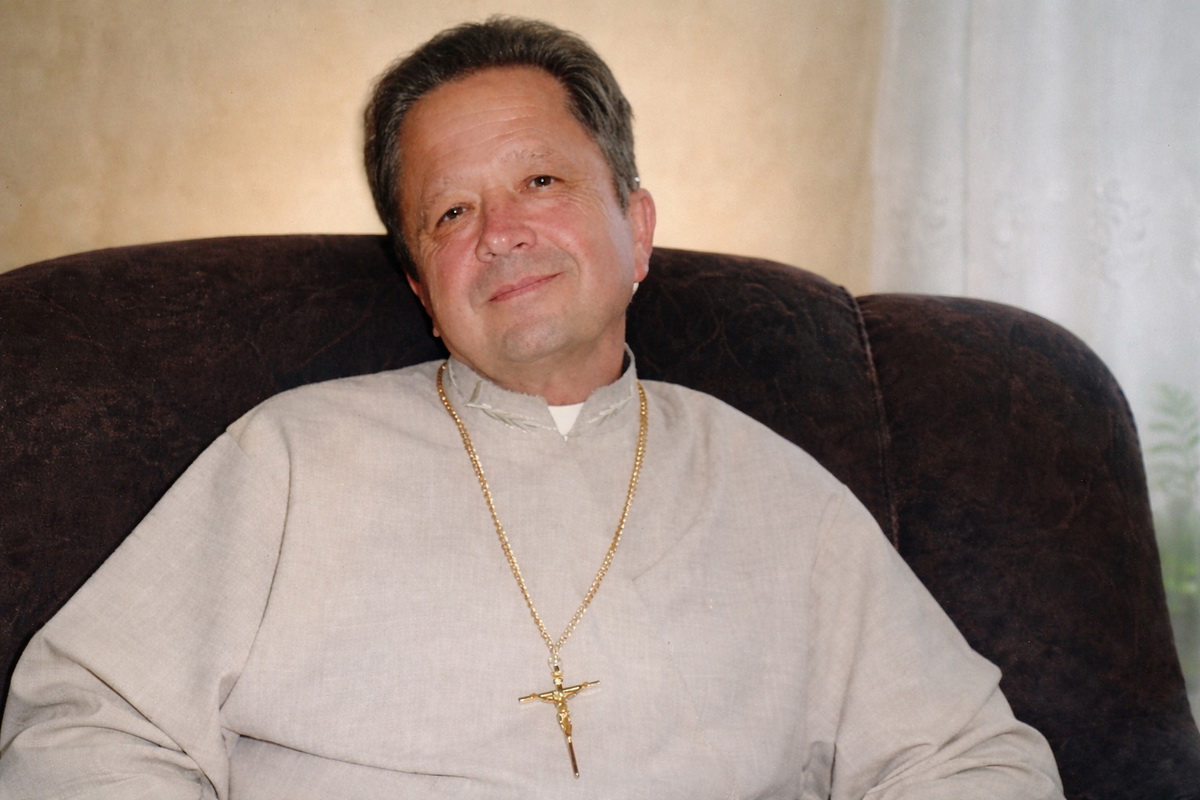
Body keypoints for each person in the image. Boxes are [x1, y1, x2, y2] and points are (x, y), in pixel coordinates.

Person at [0, 17, 1065, 799]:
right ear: (423, 289)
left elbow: (971, 759)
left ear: (637, 228)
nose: (500, 232)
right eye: (451, 211)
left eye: (541, 183)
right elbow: (89, 720)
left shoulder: (778, 487)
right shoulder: (288, 456)